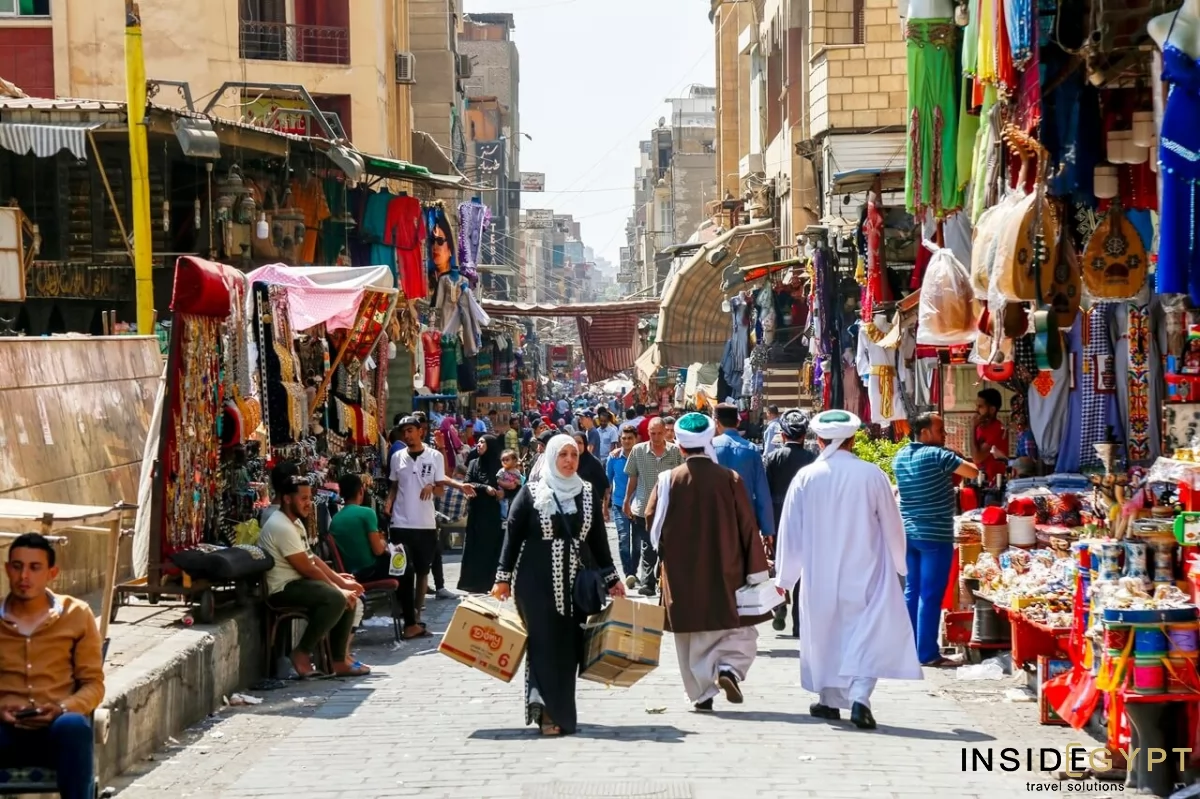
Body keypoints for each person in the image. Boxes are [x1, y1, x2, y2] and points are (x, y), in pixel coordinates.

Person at [775, 410, 921, 730]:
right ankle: (858, 699)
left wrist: (785, 577)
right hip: (867, 568)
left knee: (825, 635)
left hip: (819, 573)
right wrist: (900, 563)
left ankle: (830, 700)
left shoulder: (806, 477)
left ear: (819, 440)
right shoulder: (871, 475)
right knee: (865, 633)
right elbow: (893, 524)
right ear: (853, 440)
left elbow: (791, 530)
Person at [490, 435, 625, 735]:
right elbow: (511, 538)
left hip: (576, 586)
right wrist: (502, 578)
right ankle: (546, 713)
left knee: (568, 648)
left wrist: (612, 578)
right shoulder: (531, 493)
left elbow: (598, 541)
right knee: (543, 644)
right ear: (551, 457)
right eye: (562, 455)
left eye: (573, 455)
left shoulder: (587, 493)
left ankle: (562, 710)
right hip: (534, 583)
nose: (568, 461)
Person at [645, 413, 774, 712]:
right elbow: (747, 525)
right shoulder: (730, 479)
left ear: (679, 445)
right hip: (726, 568)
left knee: (689, 634)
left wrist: (667, 552)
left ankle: (701, 693)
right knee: (737, 628)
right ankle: (728, 667)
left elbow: (653, 523)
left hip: (681, 572)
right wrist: (756, 569)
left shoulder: (668, 480)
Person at [0, 533, 104, 799]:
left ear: (51, 573)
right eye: (17, 566)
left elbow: (93, 684)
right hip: (5, 731)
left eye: (34, 568)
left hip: (56, 730)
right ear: (7, 569)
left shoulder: (77, 614)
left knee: (74, 727)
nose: (24, 576)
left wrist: (61, 708)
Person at [259, 462, 370, 677]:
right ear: (287, 499)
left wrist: (340, 580)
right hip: (283, 589)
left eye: (309, 498)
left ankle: (338, 659)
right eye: (303, 499)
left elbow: (313, 558)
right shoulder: (280, 525)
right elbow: (307, 568)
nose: (308, 504)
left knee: (347, 596)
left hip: (299, 583)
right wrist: (338, 588)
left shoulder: (295, 522)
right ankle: (301, 653)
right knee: (337, 598)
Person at [893, 413, 979, 666]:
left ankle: (907, 648)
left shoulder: (900, 456)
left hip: (908, 533)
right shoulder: (937, 455)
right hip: (934, 535)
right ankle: (928, 654)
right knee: (930, 595)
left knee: (912, 591)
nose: (944, 435)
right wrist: (957, 456)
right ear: (925, 432)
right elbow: (972, 472)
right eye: (940, 430)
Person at [385, 416, 475, 638]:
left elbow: (440, 488)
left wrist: (439, 485)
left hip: (424, 524)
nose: (407, 435)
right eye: (404, 431)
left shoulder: (434, 456)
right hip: (400, 523)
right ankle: (407, 617)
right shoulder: (397, 458)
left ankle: (416, 615)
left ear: (420, 432)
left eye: (411, 431)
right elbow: (395, 485)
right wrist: (389, 501)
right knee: (403, 570)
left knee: (423, 571)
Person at [763, 409, 816, 637]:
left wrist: (765, 528)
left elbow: (764, 494)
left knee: (777, 567)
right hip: (805, 522)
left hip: (776, 520)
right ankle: (799, 623)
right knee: (803, 571)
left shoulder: (772, 458)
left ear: (782, 435)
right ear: (804, 435)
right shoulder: (812, 460)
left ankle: (779, 604)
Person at [623, 417, 684, 596]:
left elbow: (681, 477)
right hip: (643, 507)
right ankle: (648, 583)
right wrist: (627, 501)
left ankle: (664, 581)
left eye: (659, 433)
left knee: (666, 547)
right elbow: (632, 477)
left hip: (668, 508)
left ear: (665, 432)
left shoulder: (675, 452)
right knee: (648, 546)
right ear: (647, 433)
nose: (656, 437)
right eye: (652, 433)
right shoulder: (638, 450)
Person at [712, 404, 775, 540]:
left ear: (716, 422)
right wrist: (767, 529)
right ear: (738, 421)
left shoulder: (710, 448)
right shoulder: (752, 450)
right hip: (745, 522)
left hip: (716, 522)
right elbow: (762, 492)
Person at [456, 434, 509, 594]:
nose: (478, 445)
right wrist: (484, 488)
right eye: (478, 443)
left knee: (492, 548)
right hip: (477, 511)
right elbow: (467, 482)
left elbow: (510, 484)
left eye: (482, 443)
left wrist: (503, 492)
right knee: (474, 547)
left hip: (493, 514)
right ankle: (473, 583)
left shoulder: (500, 466)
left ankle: (491, 582)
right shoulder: (473, 463)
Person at [605, 424, 638, 586]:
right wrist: (605, 507)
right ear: (620, 440)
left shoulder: (642, 455)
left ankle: (635, 570)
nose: (626, 441)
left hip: (638, 506)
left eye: (629, 438)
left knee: (637, 543)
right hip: (618, 505)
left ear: (635, 439)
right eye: (623, 438)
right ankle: (629, 573)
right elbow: (608, 482)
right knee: (624, 538)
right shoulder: (614, 458)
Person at [973, 388, 1008, 482]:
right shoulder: (980, 427)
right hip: (981, 479)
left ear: (992, 409)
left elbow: (977, 457)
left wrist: (971, 428)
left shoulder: (997, 429)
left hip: (994, 483)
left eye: (980, 406)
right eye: (976, 406)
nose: (976, 410)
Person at [497, 449, 524, 518]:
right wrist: (507, 485)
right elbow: (499, 481)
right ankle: (504, 518)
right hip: (503, 493)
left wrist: (517, 482)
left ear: (514, 460)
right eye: (503, 460)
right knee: (504, 507)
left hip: (513, 493)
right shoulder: (502, 471)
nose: (504, 462)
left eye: (507, 460)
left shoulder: (516, 472)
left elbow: (520, 481)